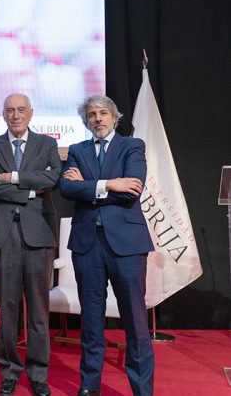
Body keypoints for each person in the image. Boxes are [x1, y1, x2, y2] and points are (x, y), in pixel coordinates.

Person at [59, 95, 154, 396]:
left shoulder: (132, 146)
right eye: (91, 115)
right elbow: (66, 188)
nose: (97, 119)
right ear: (85, 121)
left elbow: (133, 189)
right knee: (90, 321)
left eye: (103, 113)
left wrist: (90, 185)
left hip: (126, 245)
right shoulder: (76, 150)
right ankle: (89, 387)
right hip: (88, 245)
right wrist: (111, 183)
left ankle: (141, 390)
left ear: (115, 117)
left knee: (136, 323)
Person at [0, 94, 61, 396]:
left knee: (39, 311)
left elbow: (52, 180)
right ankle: (9, 372)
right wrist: (29, 191)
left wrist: (12, 177)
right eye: (10, 111)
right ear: (3, 115)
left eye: (21, 110)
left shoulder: (47, 144)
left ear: (31, 113)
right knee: (8, 308)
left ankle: (38, 373)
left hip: (38, 235)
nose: (15, 115)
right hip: (4, 235)